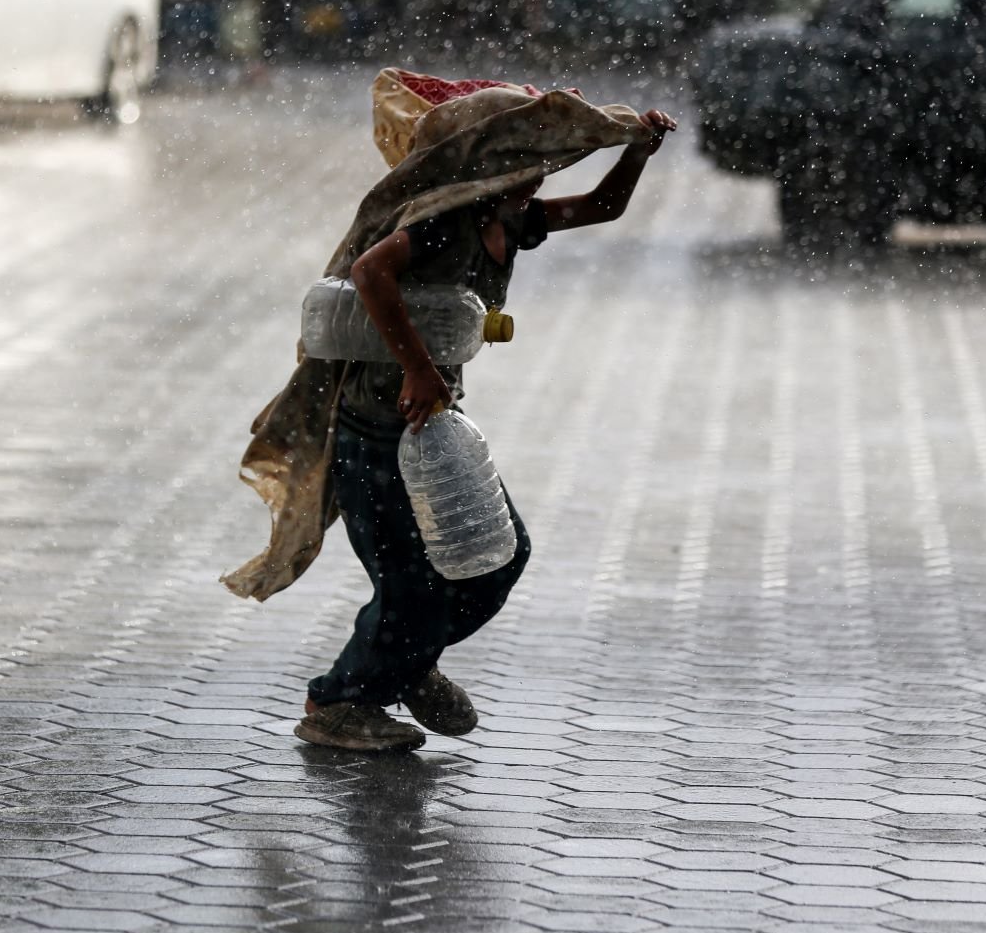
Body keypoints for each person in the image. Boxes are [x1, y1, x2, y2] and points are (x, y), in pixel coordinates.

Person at [221, 69, 674, 753]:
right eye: (524, 159)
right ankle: (339, 701)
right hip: (375, 432)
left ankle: (403, 664)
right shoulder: (442, 222)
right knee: (410, 587)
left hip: (430, 429)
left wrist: (636, 151)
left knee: (497, 557)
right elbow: (371, 272)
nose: (537, 175)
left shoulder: (510, 220)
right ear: (486, 161)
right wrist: (417, 367)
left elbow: (601, 207)